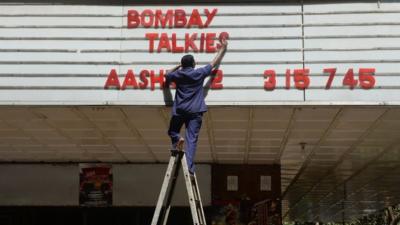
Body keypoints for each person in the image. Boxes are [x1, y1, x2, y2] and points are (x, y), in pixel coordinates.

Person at [164, 38, 228, 174]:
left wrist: (178, 66)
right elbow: (213, 63)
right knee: (191, 139)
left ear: (183, 65)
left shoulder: (178, 74)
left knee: (172, 131)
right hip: (195, 111)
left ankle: (177, 139)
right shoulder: (198, 73)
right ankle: (189, 168)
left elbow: (167, 74)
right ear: (193, 64)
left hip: (180, 110)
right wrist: (223, 48)